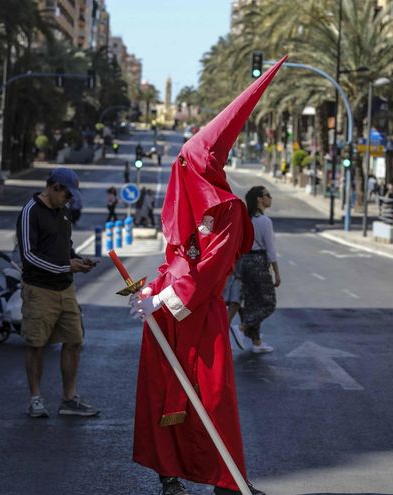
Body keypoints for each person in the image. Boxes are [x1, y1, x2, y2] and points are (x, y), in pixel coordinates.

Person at [127, 56, 287, 495]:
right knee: (165, 394)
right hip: (171, 315)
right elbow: (176, 256)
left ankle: (227, 480)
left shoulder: (230, 210)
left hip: (200, 318)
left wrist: (163, 298)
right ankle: (169, 473)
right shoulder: (190, 203)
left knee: (213, 398)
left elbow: (212, 266)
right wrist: (151, 289)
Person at [16, 168, 99, 418]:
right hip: (39, 289)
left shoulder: (63, 212)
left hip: (66, 287)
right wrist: (65, 265)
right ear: (53, 188)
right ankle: (35, 398)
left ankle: (69, 398)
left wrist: (77, 260)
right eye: (66, 194)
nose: (69, 200)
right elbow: (29, 256)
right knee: (36, 344)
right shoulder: (30, 211)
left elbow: (65, 245)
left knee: (74, 340)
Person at [240, 186, 280, 353]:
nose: (270, 198)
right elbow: (270, 249)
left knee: (252, 302)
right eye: (267, 195)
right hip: (258, 261)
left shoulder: (246, 219)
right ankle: (242, 327)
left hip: (245, 261)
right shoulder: (264, 221)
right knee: (268, 303)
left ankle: (256, 342)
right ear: (259, 199)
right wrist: (277, 273)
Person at [222, 260, 246, 350]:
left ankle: (242, 330)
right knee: (234, 307)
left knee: (236, 307)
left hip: (230, 276)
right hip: (236, 278)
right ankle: (225, 340)